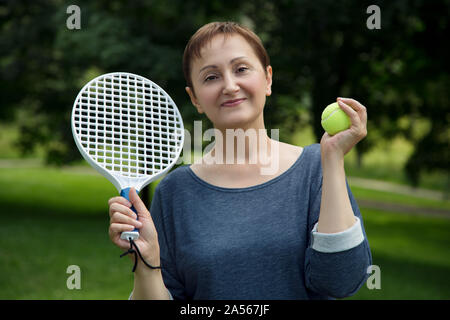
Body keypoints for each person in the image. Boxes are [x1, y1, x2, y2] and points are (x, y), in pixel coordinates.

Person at [108, 21, 372, 300]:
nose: (230, 86)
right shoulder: (174, 192)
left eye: (241, 69)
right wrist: (146, 264)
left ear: (268, 79)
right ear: (195, 98)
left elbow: (341, 280)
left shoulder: (315, 168)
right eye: (211, 77)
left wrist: (331, 159)